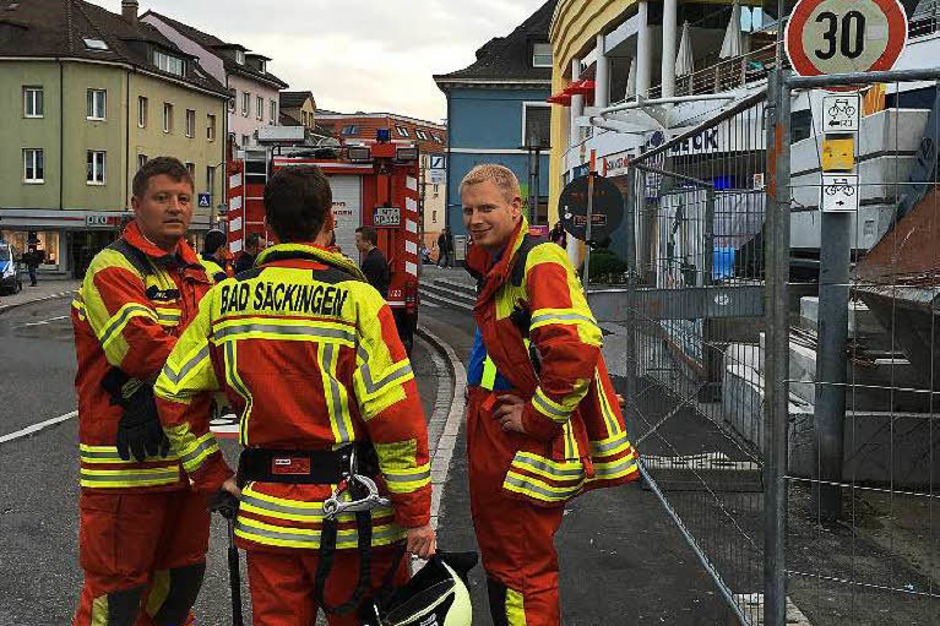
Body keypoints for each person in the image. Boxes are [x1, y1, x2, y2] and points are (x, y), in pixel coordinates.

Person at [153, 165, 436, 626]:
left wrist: (211, 475)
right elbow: (395, 418)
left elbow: (172, 393)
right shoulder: (358, 301)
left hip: (269, 518)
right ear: (330, 221)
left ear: (267, 226)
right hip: (352, 520)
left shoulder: (224, 300)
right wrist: (416, 512)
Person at [460, 164, 639, 625]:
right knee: (506, 563)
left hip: (519, 441)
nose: (475, 219)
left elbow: (574, 350)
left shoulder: (537, 260)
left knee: (521, 571)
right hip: (498, 433)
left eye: (486, 208)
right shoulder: (499, 261)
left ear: (515, 207)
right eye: (468, 210)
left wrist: (535, 418)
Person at [70, 157, 214, 626]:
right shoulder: (111, 268)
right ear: (136, 204)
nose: (175, 207)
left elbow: (231, 343)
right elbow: (142, 349)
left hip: (185, 462)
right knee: (118, 596)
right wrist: (218, 369)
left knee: (180, 586)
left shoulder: (203, 272)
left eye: (183, 199)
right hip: (124, 468)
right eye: (162, 198)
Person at [355, 226, 390, 299]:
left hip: (374, 300)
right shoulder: (375, 256)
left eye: (358, 241)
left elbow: (368, 284)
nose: (356, 244)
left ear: (369, 242)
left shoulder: (373, 260)